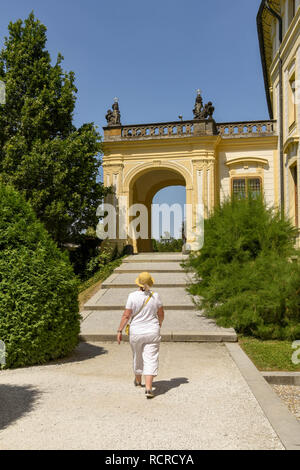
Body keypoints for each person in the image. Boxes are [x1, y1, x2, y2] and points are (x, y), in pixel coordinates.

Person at [117, 272, 164, 399]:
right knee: (151, 358)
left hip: (136, 332)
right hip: (152, 331)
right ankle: (149, 388)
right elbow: (161, 314)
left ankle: (138, 381)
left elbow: (126, 315)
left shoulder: (132, 296)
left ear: (138, 283)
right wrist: (159, 324)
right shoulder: (156, 296)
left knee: (137, 355)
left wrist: (120, 330)